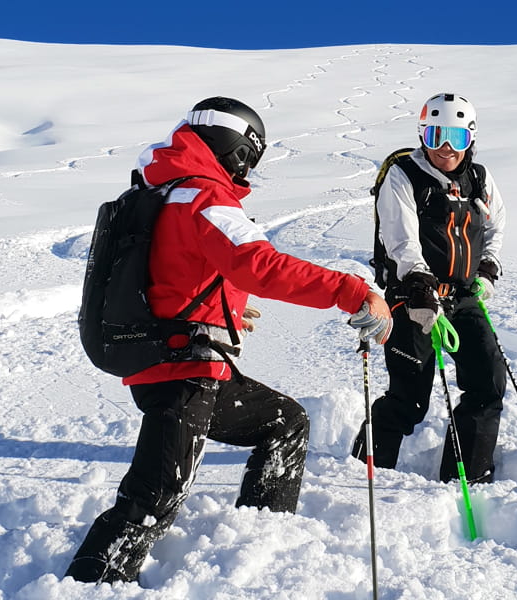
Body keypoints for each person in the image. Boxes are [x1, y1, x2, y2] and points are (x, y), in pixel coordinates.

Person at [65, 97, 391, 584]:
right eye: (251, 156)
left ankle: (258, 540)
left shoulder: (167, 189)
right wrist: (352, 291)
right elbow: (260, 265)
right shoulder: (203, 195)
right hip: (182, 371)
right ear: (237, 147)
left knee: (284, 424)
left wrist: (226, 305)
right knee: (152, 500)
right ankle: (88, 585)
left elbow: (175, 271)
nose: (250, 170)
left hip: (178, 361)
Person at [351, 93, 507, 485]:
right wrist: (419, 286)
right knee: (409, 398)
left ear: (470, 138)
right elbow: (400, 238)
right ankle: (361, 475)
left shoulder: (480, 179)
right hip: (414, 297)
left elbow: (494, 227)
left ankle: (465, 478)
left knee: (488, 383)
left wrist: (486, 270)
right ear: (423, 134)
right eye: (436, 135)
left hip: (464, 296)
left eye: (455, 137)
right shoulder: (404, 175)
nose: (446, 148)